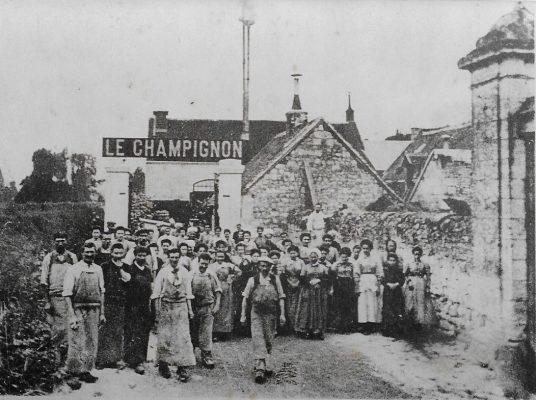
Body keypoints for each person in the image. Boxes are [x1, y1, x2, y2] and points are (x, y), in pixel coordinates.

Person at [62, 243, 105, 384]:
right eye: (87, 252)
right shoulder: (73, 269)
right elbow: (67, 294)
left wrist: (102, 313)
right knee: (77, 340)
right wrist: (72, 314)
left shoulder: (98, 269)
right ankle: (73, 374)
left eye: (92, 252)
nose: (89, 255)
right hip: (78, 309)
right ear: (81, 253)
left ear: (95, 253)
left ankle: (85, 371)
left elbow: (102, 291)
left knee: (91, 341)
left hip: (94, 309)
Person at [151, 249, 196, 381]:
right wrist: (157, 312)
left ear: (180, 258)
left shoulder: (184, 272)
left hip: (181, 307)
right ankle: (163, 365)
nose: (174, 260)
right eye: (172, 257)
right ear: (168, 257)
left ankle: (182, 366)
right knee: (165, 336)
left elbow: (188, 293)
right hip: (166, 306)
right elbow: (156, 294)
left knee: (182, 336)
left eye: (177, 257)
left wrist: (190, 311)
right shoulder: (163, 272)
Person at [240, 256, 286, 384]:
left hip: (271, 313)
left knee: (268, 339)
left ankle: (264, 363)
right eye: (262, 265)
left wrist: (282, 314)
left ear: (271, 267)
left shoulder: (275, 279)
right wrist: (243, 315)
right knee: (258, 337)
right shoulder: (252, 280)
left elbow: (281, 297)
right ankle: (259, 368)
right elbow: (245, 298)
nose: (264, 268)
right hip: (256, 313)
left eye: (267, 265)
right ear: (258, 266)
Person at [40, 232, 78, 365]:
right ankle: (56, 363)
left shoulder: (72, 257)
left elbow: (76, 278)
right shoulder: (48, 258)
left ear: (67, 241)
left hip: (70, 298)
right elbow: (44, 281)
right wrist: (47, 301)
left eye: (62, 240)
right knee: (57, 330)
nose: (60, 243)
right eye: (57, 241)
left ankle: (69, 362)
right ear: (54, 242)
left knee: (71, 328)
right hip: (55, 298)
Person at [96, 244, 131, 369]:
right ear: (111, 253)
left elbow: (129, 286)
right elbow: (101, 284)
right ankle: (101, 360)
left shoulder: (127, 267)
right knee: (105, 331)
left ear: (124, 253)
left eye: (120, 253)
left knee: (117, 331)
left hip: (121, 303)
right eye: (115, 253)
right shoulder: (104, 266)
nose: (118, 255)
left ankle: (114, 359)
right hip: (107, 302)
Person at [124, 246, 153, 374]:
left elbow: (150, 287)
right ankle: (133, 360)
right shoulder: (129, 269)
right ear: (135, 256)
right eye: (139, 255)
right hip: (132, 305)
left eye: (144, 255)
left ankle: (141, 358)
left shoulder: (147, 270)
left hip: (144, 305)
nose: (141, 258)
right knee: (133, 331)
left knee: (143, 331)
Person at [190, 253, 222, 369]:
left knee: (206, 332)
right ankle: (190, 354)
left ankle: (206, 355)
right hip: (194, 306)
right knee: (192, 330)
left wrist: (217, 305)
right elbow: (188, 291)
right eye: (202, 263)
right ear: (198, 261)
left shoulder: (211, 274)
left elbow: (218, 290)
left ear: (208, 263)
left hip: (207, 306)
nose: (203, 265)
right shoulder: (192, 274)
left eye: (206, 264)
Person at [294, 251, 330, 340]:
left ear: (318, 257)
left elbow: (327, 278)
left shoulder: (323, 267)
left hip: (319, 291)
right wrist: (309, 282)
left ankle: (318, 331)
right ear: (309, 258)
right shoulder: (305, 267)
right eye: (311, 257)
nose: (313, 259)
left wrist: (319, 281)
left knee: (319, 309)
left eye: (315, 257)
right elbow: (302, 278)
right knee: (307, 309)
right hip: (308, 290)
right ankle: (307, 331)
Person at [211, 250, 240, 340]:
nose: (220, 258)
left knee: (226, 309)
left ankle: (225, 332)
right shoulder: (212, 266)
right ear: (215, 257)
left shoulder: (228, 265)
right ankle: (215, 332)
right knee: (216, 309)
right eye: (218, 256)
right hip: (216, 287)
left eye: (222, 256)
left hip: (226, 288)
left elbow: (239, 271)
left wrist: (231, 279)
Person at [355, 239, 383, 335]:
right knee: (363, 302)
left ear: (370, 248)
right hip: (363, 280)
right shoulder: (360, 259)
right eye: (364, 248)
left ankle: (371, 324)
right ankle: (363, 324)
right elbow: (356, 273)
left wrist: (378, 286)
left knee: (372, 302)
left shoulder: (375, 259)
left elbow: (379, 273)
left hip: (372, 280)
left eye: (367, 248)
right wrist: (357, 286)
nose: (365, 250)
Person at [404, 246, 435, 329]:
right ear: (413, 254)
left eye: (418, 254)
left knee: (420, 303)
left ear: (421, 255)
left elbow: (428, 277)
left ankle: (419, 323)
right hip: (411, 285)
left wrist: (427, 286)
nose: (417, 256)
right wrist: (409, 281)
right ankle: (409, 322)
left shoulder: (424, 265)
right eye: (415, 254)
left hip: (421, 284)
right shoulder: (409, 264)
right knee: (410, 302)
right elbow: (405, 275)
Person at [279, 245, 304, 333]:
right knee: (289, 305)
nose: (293, 254)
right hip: (288, 283)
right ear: (289, 253)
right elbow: (283, 273)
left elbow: (303, 273)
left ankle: (297, 325)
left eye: (295, 252)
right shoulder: (285, 261)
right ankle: (290, 325)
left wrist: (298, 282)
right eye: (291, 253)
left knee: (298, 304)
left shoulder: (301, 262)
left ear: (297, 253)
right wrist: (289, 282)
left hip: (299, 283)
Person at [331, 247, 357, 333]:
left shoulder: (351, 264)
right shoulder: (336, 264)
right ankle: (340, 327)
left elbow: (354, 275)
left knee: (348, 306)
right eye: (343, 257)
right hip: (339, 285)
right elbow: (333, 275)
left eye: (346, 257)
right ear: (340, 256)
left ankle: (348, 327)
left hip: (348, 285)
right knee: (340, 306)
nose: (344, 258)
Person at [382, 253, 406, 337]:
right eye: (390, 260)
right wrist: (388, 284)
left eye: (393, 260)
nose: (392, 262)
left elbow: (402, 280)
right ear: (387, 261)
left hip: (397, 292)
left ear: (396, 261)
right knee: (387, 309)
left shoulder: (399, 271)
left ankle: (396, 330)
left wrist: (396, 284)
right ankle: (387, 330)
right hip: (387, 291)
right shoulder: (385, 270)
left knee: (396, 309)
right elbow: (382, 279)